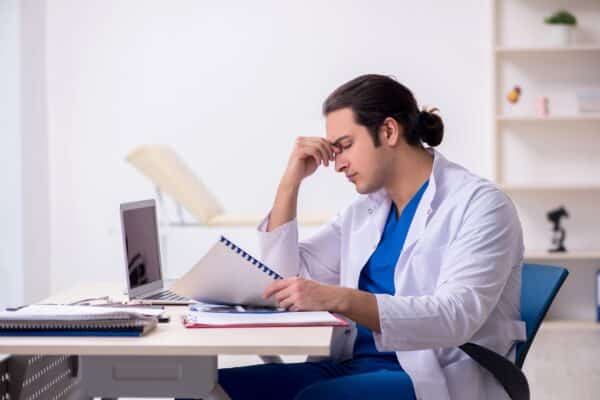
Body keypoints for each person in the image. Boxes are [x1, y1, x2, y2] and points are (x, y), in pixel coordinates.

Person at [217, 74, 526, 400]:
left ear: (389, 131)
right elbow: (283, 277)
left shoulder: (480, 205)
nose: (337, 164)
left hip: (435, 377)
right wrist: (290, 182)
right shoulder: (365, 211)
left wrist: (340, 298)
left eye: (345, 146)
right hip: (351, 366)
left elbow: (455, 316)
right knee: (206, 388)